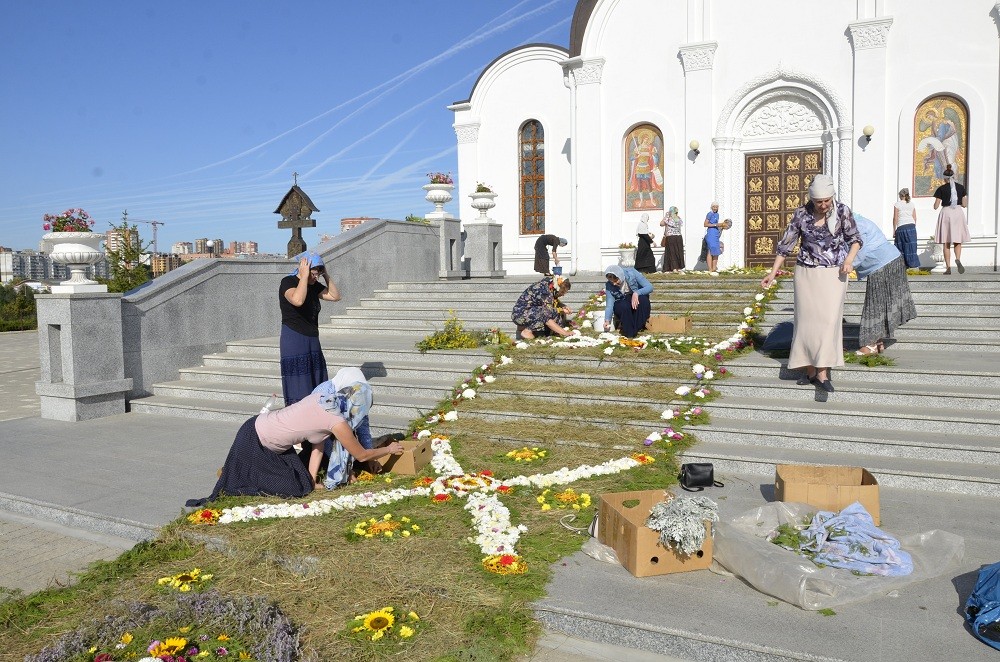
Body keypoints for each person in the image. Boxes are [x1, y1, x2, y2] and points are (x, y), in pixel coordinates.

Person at [185, 368, 404, 506]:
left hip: (258, 431)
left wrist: (310, 478)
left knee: (303, 483)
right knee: (294, 489)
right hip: (256, 442)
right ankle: (242, 474)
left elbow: (318, 444)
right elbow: (362, 454)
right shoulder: (336, 421)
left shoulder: (324, 399)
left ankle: (241, 471)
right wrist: (389, 450)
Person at [761, 174, 863, 393]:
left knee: (828, 323)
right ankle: (809, 371)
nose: (823, 205)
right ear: (811, 198)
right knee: (807, 324)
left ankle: (823, 373)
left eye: (827, 200)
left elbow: (855, 240)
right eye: (819, 201)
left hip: (834, 274)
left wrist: (849, 260)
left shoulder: (843, 211)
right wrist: (772, 273)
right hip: (806, 274)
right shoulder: (801, 214)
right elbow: (786, 245)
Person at [280, 252, 341, 407]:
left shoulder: (314, 285)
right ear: (304, 269)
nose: (315, 278)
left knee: (316, 378)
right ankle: (299, 418)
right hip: (294, 337)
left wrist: (326, 274)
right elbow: (297, 300)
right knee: (300, 382)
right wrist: (304, 276)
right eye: (314, 273)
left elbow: (335, 296)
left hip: (312, 338)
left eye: (318, 274)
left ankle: (317, 413)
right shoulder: (288, 281)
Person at [852, 214, 918, 356]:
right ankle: (878, 342)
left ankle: (869, 344)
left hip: (882, 264)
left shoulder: (855, 225)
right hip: (889, 260)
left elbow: (859, 251)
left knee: (874, 304)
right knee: (881, 304)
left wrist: (844, 267)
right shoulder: (857, 220)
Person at [933, 164, 969, 275]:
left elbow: (936, 206)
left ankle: (948, 267)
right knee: (958, 240)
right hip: (958, 212)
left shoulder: (941, 188)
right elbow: (964, 204)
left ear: (944, 178)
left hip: (946, 213)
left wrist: (937, 202)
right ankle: (958, 259)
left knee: (946, 241)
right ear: (953, 176)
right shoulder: (960, 187)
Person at [603, 265, 653, 338]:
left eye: (616, 281)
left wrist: (637, 293)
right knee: (622, 306)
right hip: (623, 301)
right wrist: (607, 320)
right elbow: (609, 305)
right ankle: (629, 333)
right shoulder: (609, 285)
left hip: (637, 298)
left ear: (620, 276)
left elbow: (649, 287)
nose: (614, 284)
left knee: (643, 300)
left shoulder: (632, 273)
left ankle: (637, 327)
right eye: (611, 282)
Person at [892, 188, 921, 269]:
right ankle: (913, 265)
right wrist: (914, 227)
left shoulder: (897, 204)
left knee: (901, 246)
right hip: (911, 226)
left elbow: (895, 218)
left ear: (901, 195)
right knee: (911, 246)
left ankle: (902, 265)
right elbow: (915, 217)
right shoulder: (912, 204)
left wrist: (894, 229)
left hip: (902, 227)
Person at [659, 206, 685, 272]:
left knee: (672, 252)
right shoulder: (678, 218)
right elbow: (681, 224)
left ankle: (674, 268)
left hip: (671, 237)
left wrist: (666, 216)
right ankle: (679, 267)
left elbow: (661, 224)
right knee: (679, 252)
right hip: (679, 237)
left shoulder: (669, 219)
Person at [703, 203, 722, 273]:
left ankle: (714, 268)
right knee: (710, 250)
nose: (715, 208)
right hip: (711, 233)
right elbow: (705, 224)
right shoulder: (709, 214)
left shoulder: (717, 214)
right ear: (711, 207)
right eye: (714, 207)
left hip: (716, 233)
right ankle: (710, 268)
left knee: (716, 250)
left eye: (716, 207)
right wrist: (715, 224)